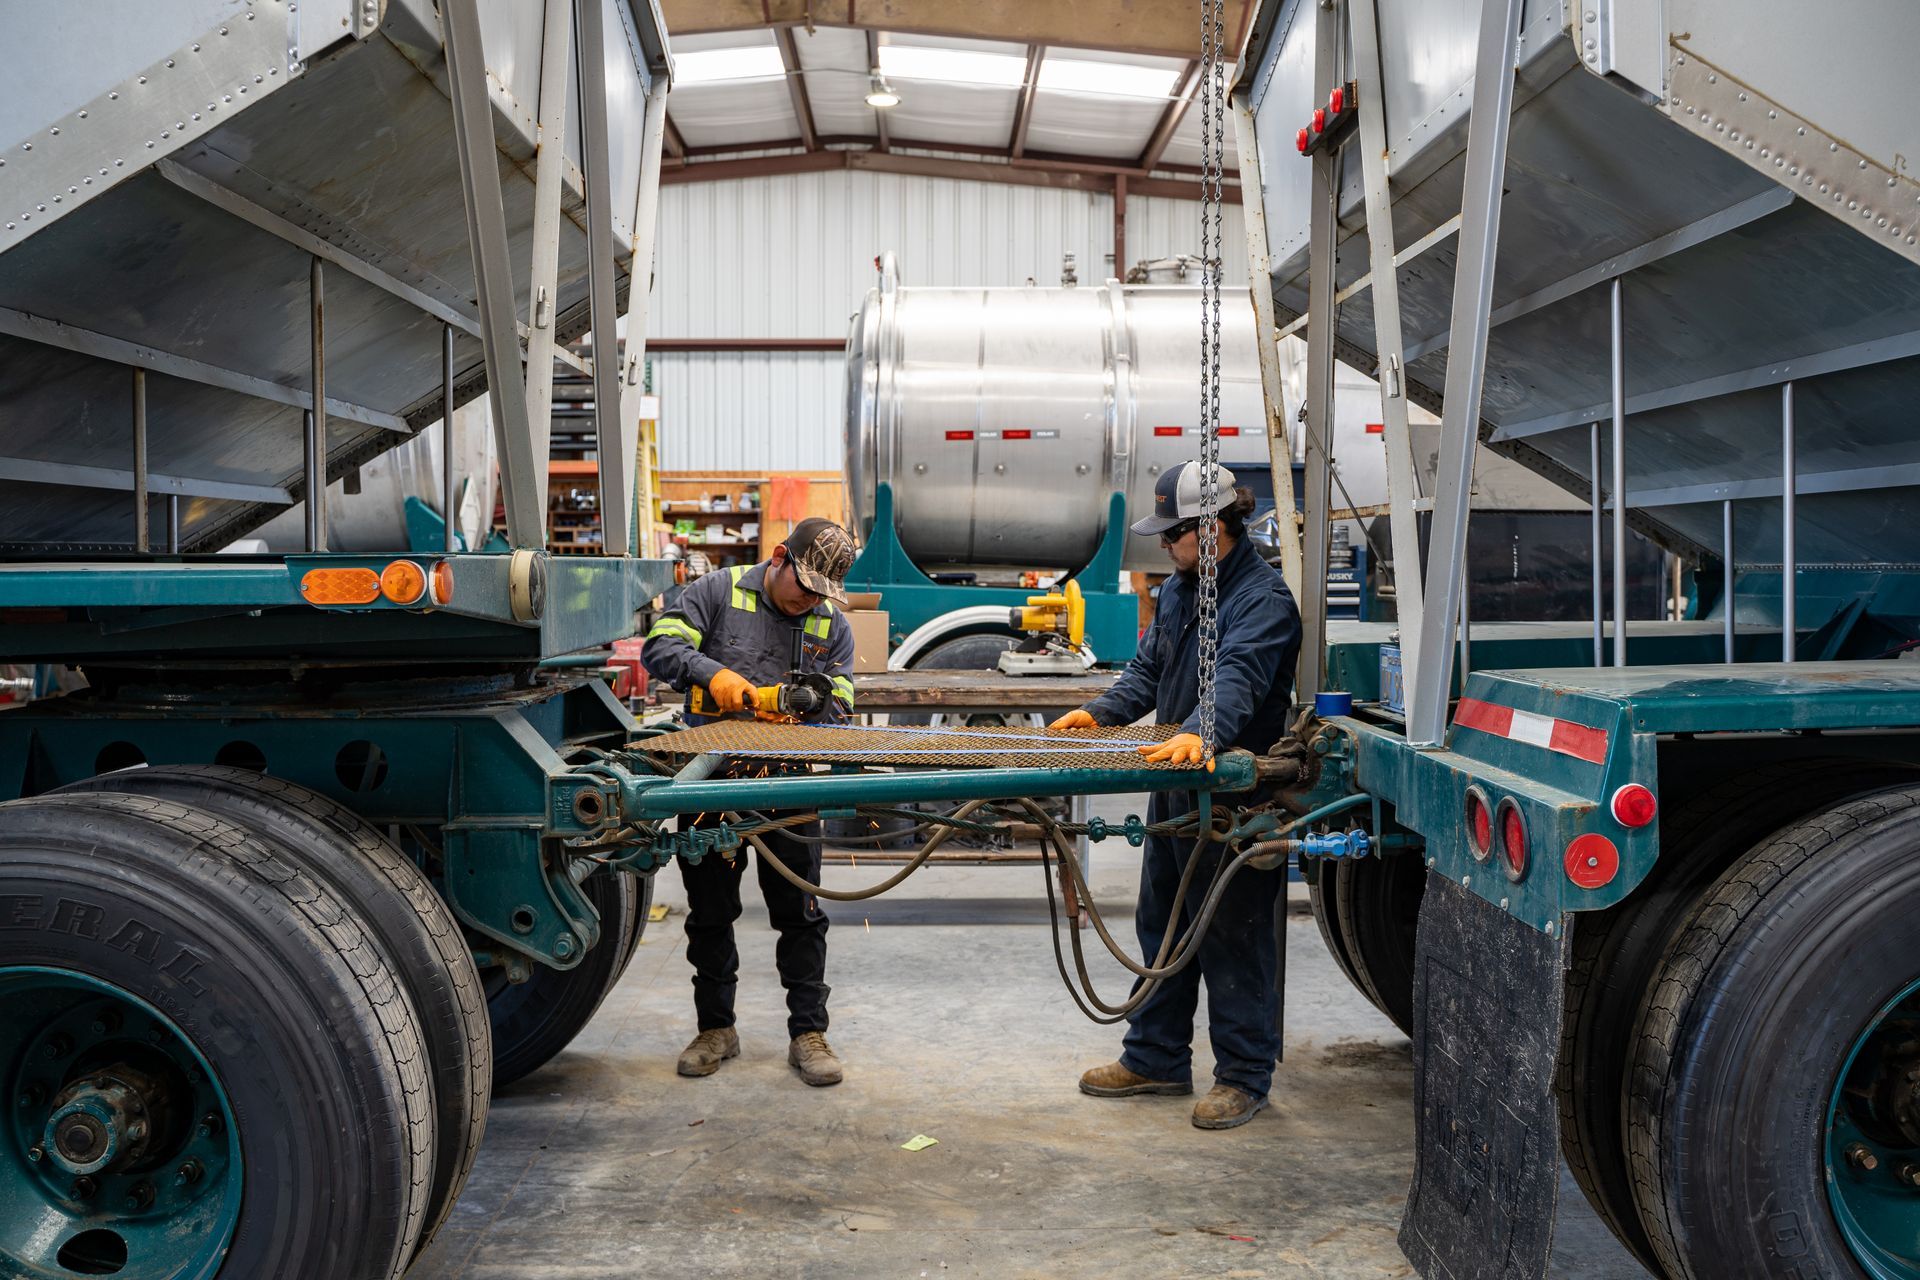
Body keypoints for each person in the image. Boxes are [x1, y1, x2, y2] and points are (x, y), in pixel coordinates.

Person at [1052, 460, 1301, 1129]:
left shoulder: (1263, 599)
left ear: (1214, 529)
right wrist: (1102, 711)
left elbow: (1240, 677)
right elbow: (1149, 668)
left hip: (1232, 799)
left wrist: (1203, 733)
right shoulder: (1179, 590)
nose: (1163, 546)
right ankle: (1156, 1055)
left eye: (1172, 535)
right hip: (1175, 781)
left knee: (1233, 934)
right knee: (1161, 923)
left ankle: (1245, 1076)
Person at [641, 517, 859, 1087]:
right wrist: (713, 676)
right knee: (711, 912)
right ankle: (717, 1028)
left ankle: (807, 1033)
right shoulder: (716, 590)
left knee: (801, 912)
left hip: (789, 783)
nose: (809, 600)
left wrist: (814, 701)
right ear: (780, 557)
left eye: (820, 593)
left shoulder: (829, 620)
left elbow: (843, 700)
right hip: (712, 781)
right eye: (804, 586)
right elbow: (659, 647)